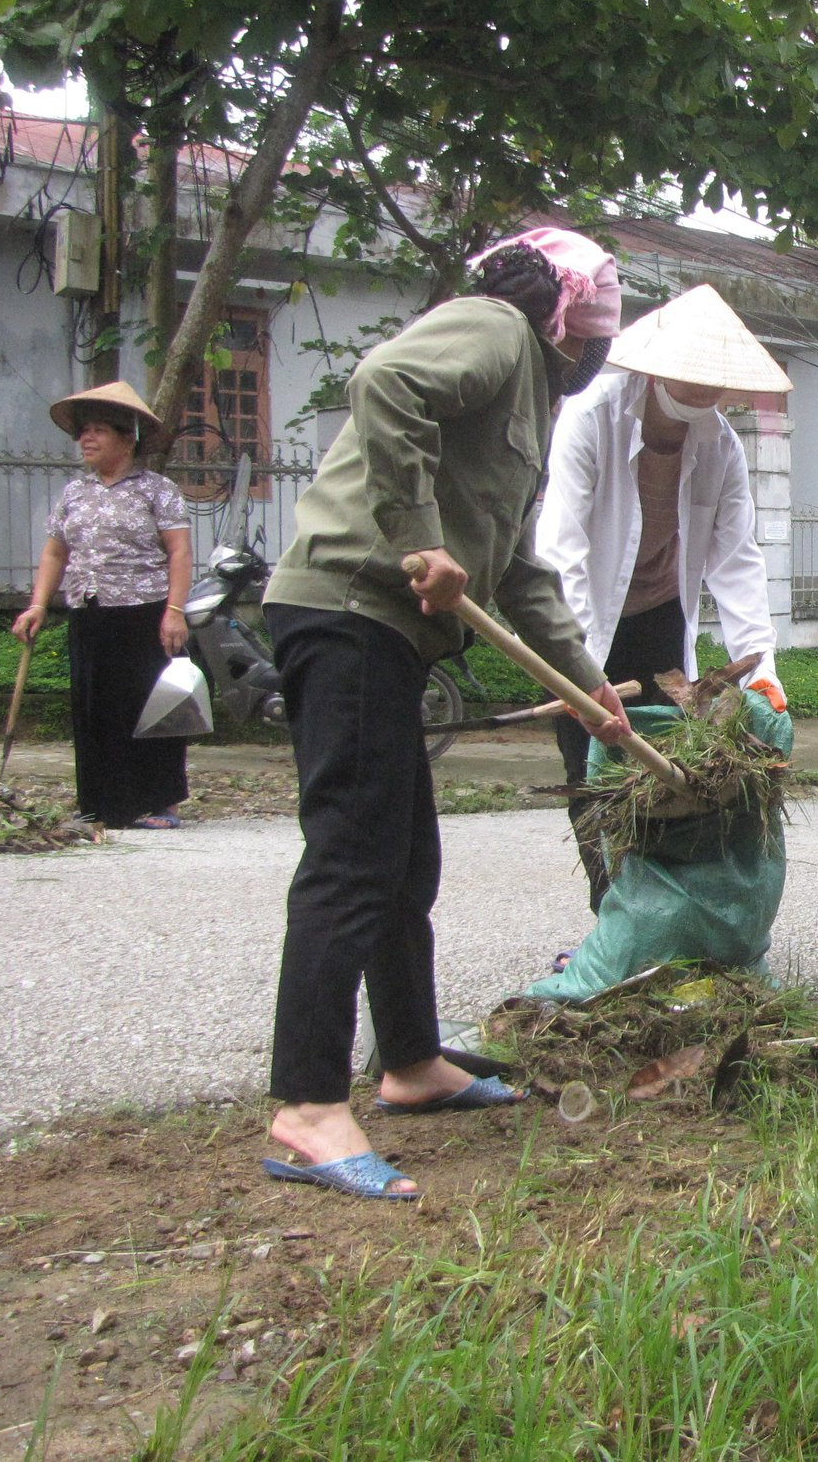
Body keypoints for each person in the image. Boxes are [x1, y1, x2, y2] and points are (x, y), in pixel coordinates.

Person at [257, 228, 631, 1201]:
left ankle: (412, 1062)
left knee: (405, 859)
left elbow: (516, 571)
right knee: (352, 855)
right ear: (568, 319)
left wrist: (588, 689)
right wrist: (419, 540)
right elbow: (385, 382)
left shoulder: (529, 404)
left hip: (387, 635)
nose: (600, 352)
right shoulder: (499, 332)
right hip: (347, 610)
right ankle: (302, 1106)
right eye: (597, 331)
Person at [537, 284, 790, 913]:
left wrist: (762, 670)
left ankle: (658, 919)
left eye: (716, 379)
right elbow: (561, 548)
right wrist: (576, 669)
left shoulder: (722, 446)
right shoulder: (591, 415)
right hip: (583, 625)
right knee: (593, 780)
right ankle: (612, 920)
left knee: (666, 777)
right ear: (655, 367)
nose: (703, 390)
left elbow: (736, 559)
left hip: (658, 622)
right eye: (688, 375)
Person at [11, 382, 192, 829]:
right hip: (89, 612)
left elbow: (180, 552)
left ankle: (159, 801)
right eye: (83, 432)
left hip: (145, 612)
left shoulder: (157, 490)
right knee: (94, 708)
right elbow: (56, 552)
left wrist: (175, 610)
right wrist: (38, 605)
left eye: (97, 431)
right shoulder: (75, 493)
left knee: (150, 706)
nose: (86, 440)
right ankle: (101, 804)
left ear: (126, 439)